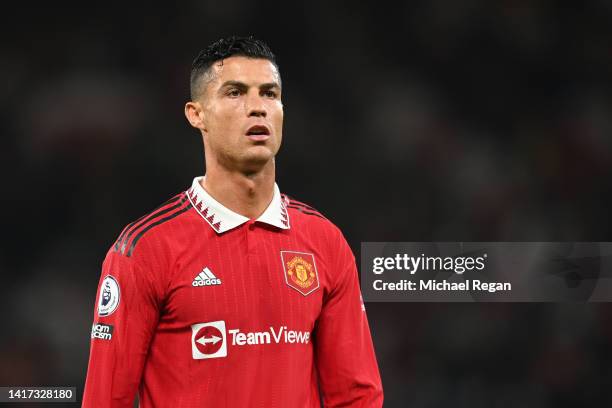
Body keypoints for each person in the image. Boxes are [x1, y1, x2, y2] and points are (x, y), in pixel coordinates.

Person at [83, 35, 383, 407]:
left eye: (269, 94)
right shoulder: (145, 249)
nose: (257, 108)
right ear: (197, 114)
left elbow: (357, 396)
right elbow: (105, 398)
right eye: (235, 93)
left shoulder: (325, 242)